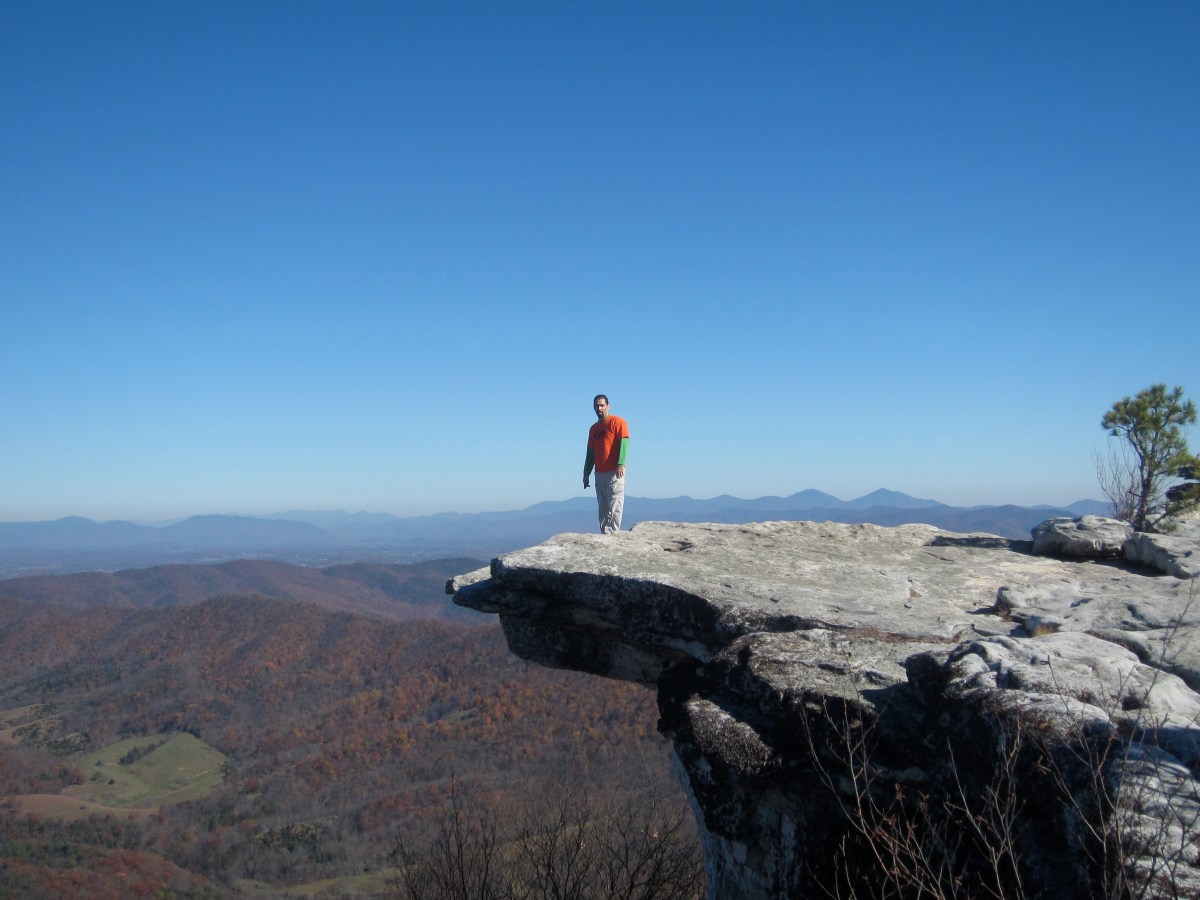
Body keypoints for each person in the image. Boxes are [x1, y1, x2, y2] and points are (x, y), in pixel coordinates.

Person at [583, 394, 629, 534]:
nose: (599, 408)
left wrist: (620, 464)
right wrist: (586, 473)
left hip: (614, 471)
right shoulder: (593, 429)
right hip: (599, 472)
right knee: (602, 506)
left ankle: (613, 532)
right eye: (597, 405)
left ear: (608, 406)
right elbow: (590, 453)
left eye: (602, 405)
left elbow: (624, 443)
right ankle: (605, 533)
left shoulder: (618, 422)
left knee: (615, 502)